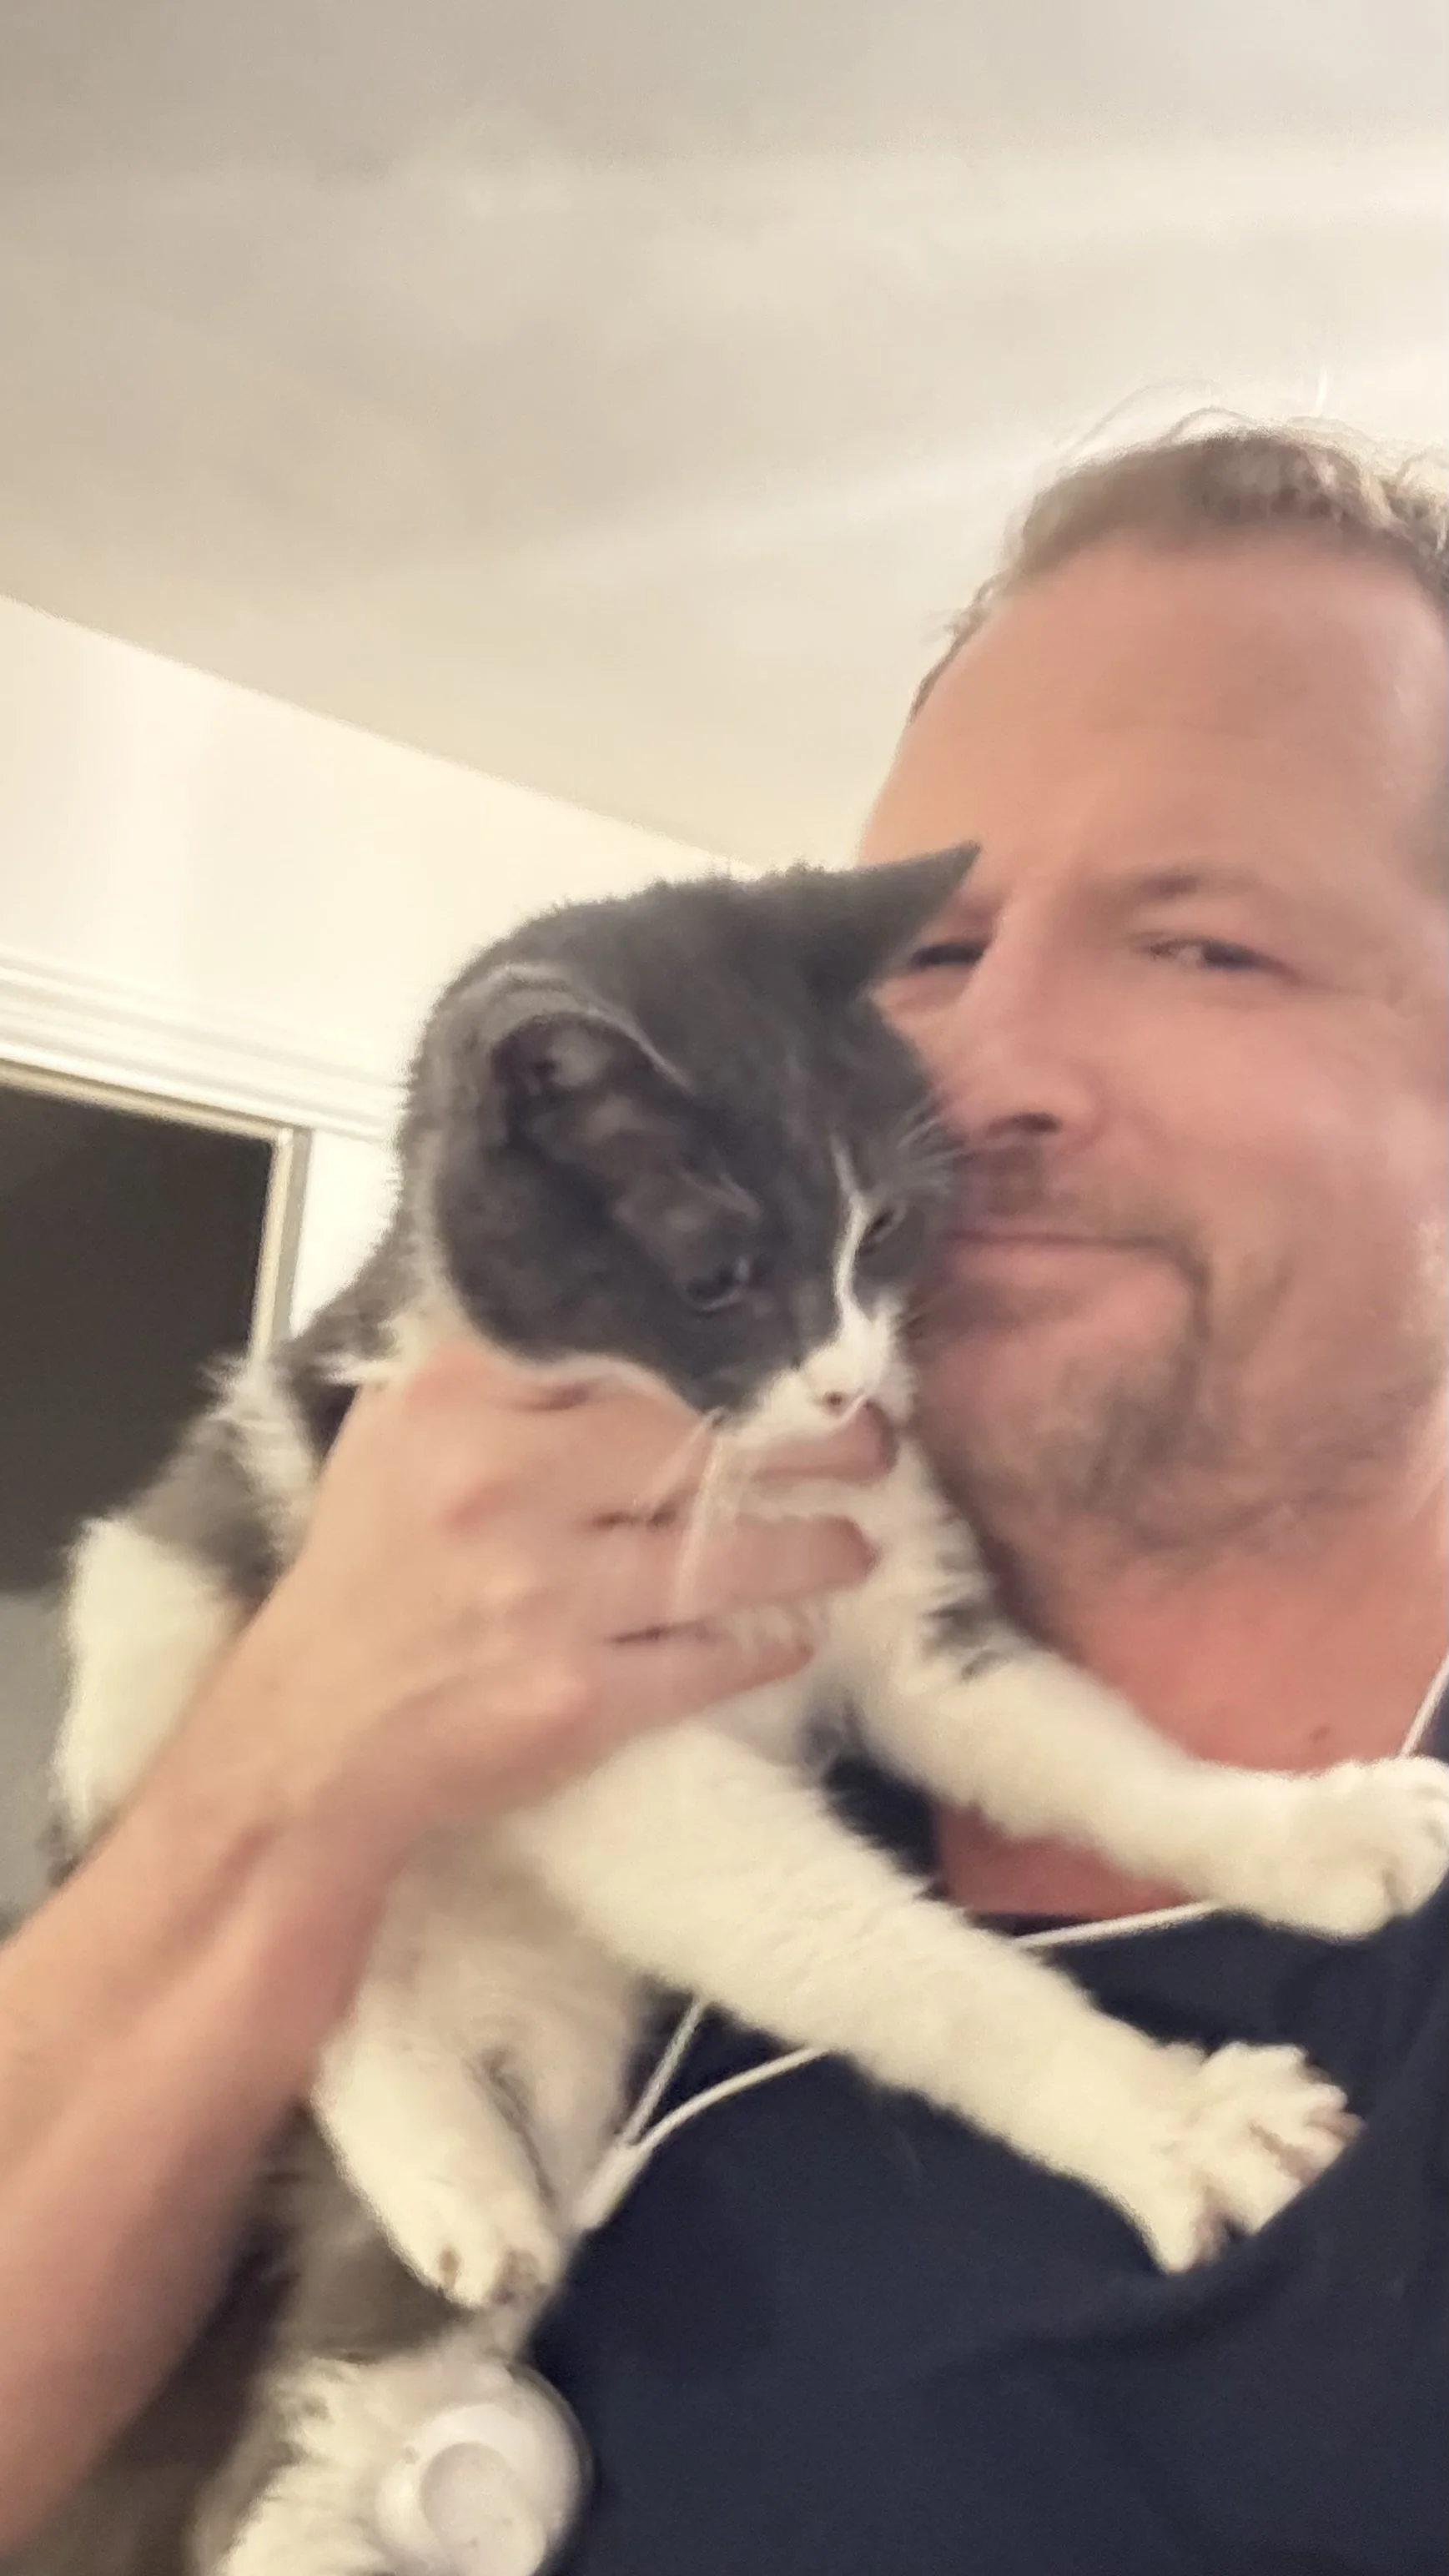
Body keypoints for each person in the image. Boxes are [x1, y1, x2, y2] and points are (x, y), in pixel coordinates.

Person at [2, 420, 1445, 2573]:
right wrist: (292, 1758)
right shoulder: (585, 1532)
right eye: (934, 956)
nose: (979, 1072)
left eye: (1203, 945)